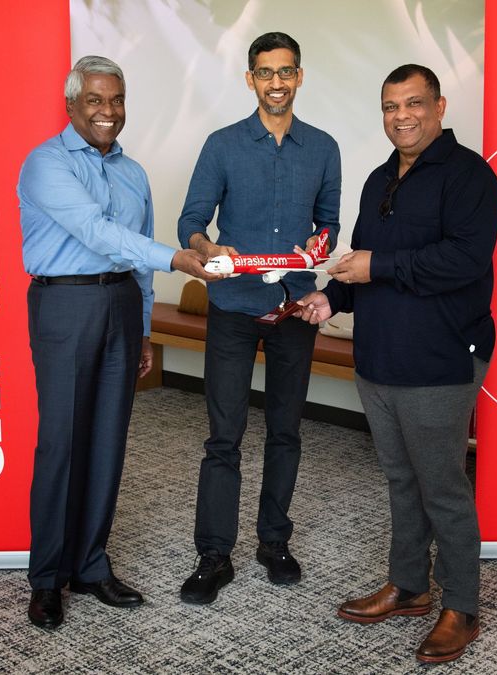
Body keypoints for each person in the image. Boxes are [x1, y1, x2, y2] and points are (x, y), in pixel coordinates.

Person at [297, 64, 497, 663]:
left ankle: (461, 605)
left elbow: (462, 262)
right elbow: (365, 262)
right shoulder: (380, 177)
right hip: (379, 358)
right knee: (401, 479)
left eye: (414, 104)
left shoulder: (471, 177)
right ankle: (410, 586)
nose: (402, 116)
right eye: (391, 107)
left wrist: (374, 268)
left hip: (440, 360)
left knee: (443, 488)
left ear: (439, 107)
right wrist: (331, 296)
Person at [17, 55, 220, 630]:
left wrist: (145, 330)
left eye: (117, 100)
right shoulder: (46, 164)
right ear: (72, 105)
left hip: (121, 306)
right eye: (95, 101)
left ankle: (90, 564)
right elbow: (98, 233)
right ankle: (47, 578)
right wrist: (179, 257)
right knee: (62, 442)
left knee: (108, 440)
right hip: (66, 303)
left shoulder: (134, 173)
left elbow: (135, 256)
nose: (108, 112)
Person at [176, 32, 341, 604]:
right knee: (224, 436)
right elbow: (191, 221)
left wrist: (319, 247)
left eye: (286, 71)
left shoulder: (323, 148)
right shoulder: (222, 145)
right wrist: (206, 249)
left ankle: (274, 542)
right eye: (265, 72)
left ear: (299, 76)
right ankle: (214, 555)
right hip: (233, 309)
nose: (276, 82)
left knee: (286, 431)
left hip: (293, 309)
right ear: (250, 79)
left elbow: (329, 223)